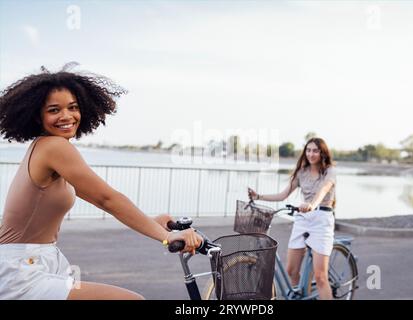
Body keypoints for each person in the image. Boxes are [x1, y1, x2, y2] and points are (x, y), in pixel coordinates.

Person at [0, 64, 202, 300]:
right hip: (24, 270)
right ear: (37, 115)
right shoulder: (54, 147)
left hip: (38, 260)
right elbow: (108, 199)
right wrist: (167, 237)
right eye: (54, 110)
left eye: (73, 107)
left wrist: (155, 224)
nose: (67, 116)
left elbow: (104, 199)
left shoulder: (46, 147)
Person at [248, 137, 336, 300]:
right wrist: (258, 196)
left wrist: (312, 204)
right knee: (291, 270)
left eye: (315, 150)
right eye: (308, 150)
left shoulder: (329, 171)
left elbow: (323, 190)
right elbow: (283, 195)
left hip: (321, 220)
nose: (311, 154)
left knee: (320, 277)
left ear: (322, 152)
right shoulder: (301, 172)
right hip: (303, 218)